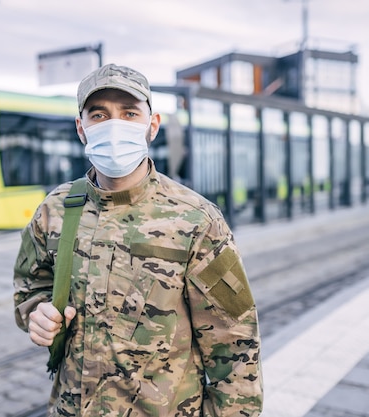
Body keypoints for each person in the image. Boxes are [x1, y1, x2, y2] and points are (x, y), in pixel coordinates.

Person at [13, 63, 263, 417]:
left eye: (129, 113)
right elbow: (29, 290)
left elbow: (235, 344)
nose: (114, 125)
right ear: (81, 129)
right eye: (99, 115)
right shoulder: (54, 211)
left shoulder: (197, 219)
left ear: (152, 125)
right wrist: (37, 312)